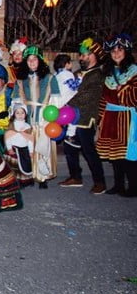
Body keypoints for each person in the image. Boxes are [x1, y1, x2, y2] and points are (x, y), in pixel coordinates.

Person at [59, 38, 107, 194]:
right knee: (69, 147)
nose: (81, 58)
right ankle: (76, 177)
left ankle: (100, 182)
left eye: (84, 55)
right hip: (73, 117)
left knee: (88, 151)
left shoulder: (97, 75)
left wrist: (66, 105)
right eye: (80, 55)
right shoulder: (78, 73)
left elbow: (85, 96)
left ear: (94, 55)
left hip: (86, 118)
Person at [11, 45, 59, 188]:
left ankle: (42, 176)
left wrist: (49, 116)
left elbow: (56, 99)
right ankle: (27, 175)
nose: (31, 62)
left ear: (40, 61)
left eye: (34, 59)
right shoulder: (20, 80)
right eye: (29, 60)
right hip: (27, 117)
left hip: (43, 116)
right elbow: (16, 98)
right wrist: (19, 116)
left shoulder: (50, 78)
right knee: (25, 147)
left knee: (42, 146)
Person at [96, 34, 137, 196]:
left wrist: (123, 91)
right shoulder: (107, 73)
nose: (116, 53)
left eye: (120, 49)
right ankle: (118, 184)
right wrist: (99, 118)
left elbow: (134, 96)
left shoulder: (134, 72)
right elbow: (103, 98)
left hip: (127, 118)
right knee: (114, 155)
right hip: (110, 118)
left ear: (126, 51)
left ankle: (133, 187)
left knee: (128, 155)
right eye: (113, 50)